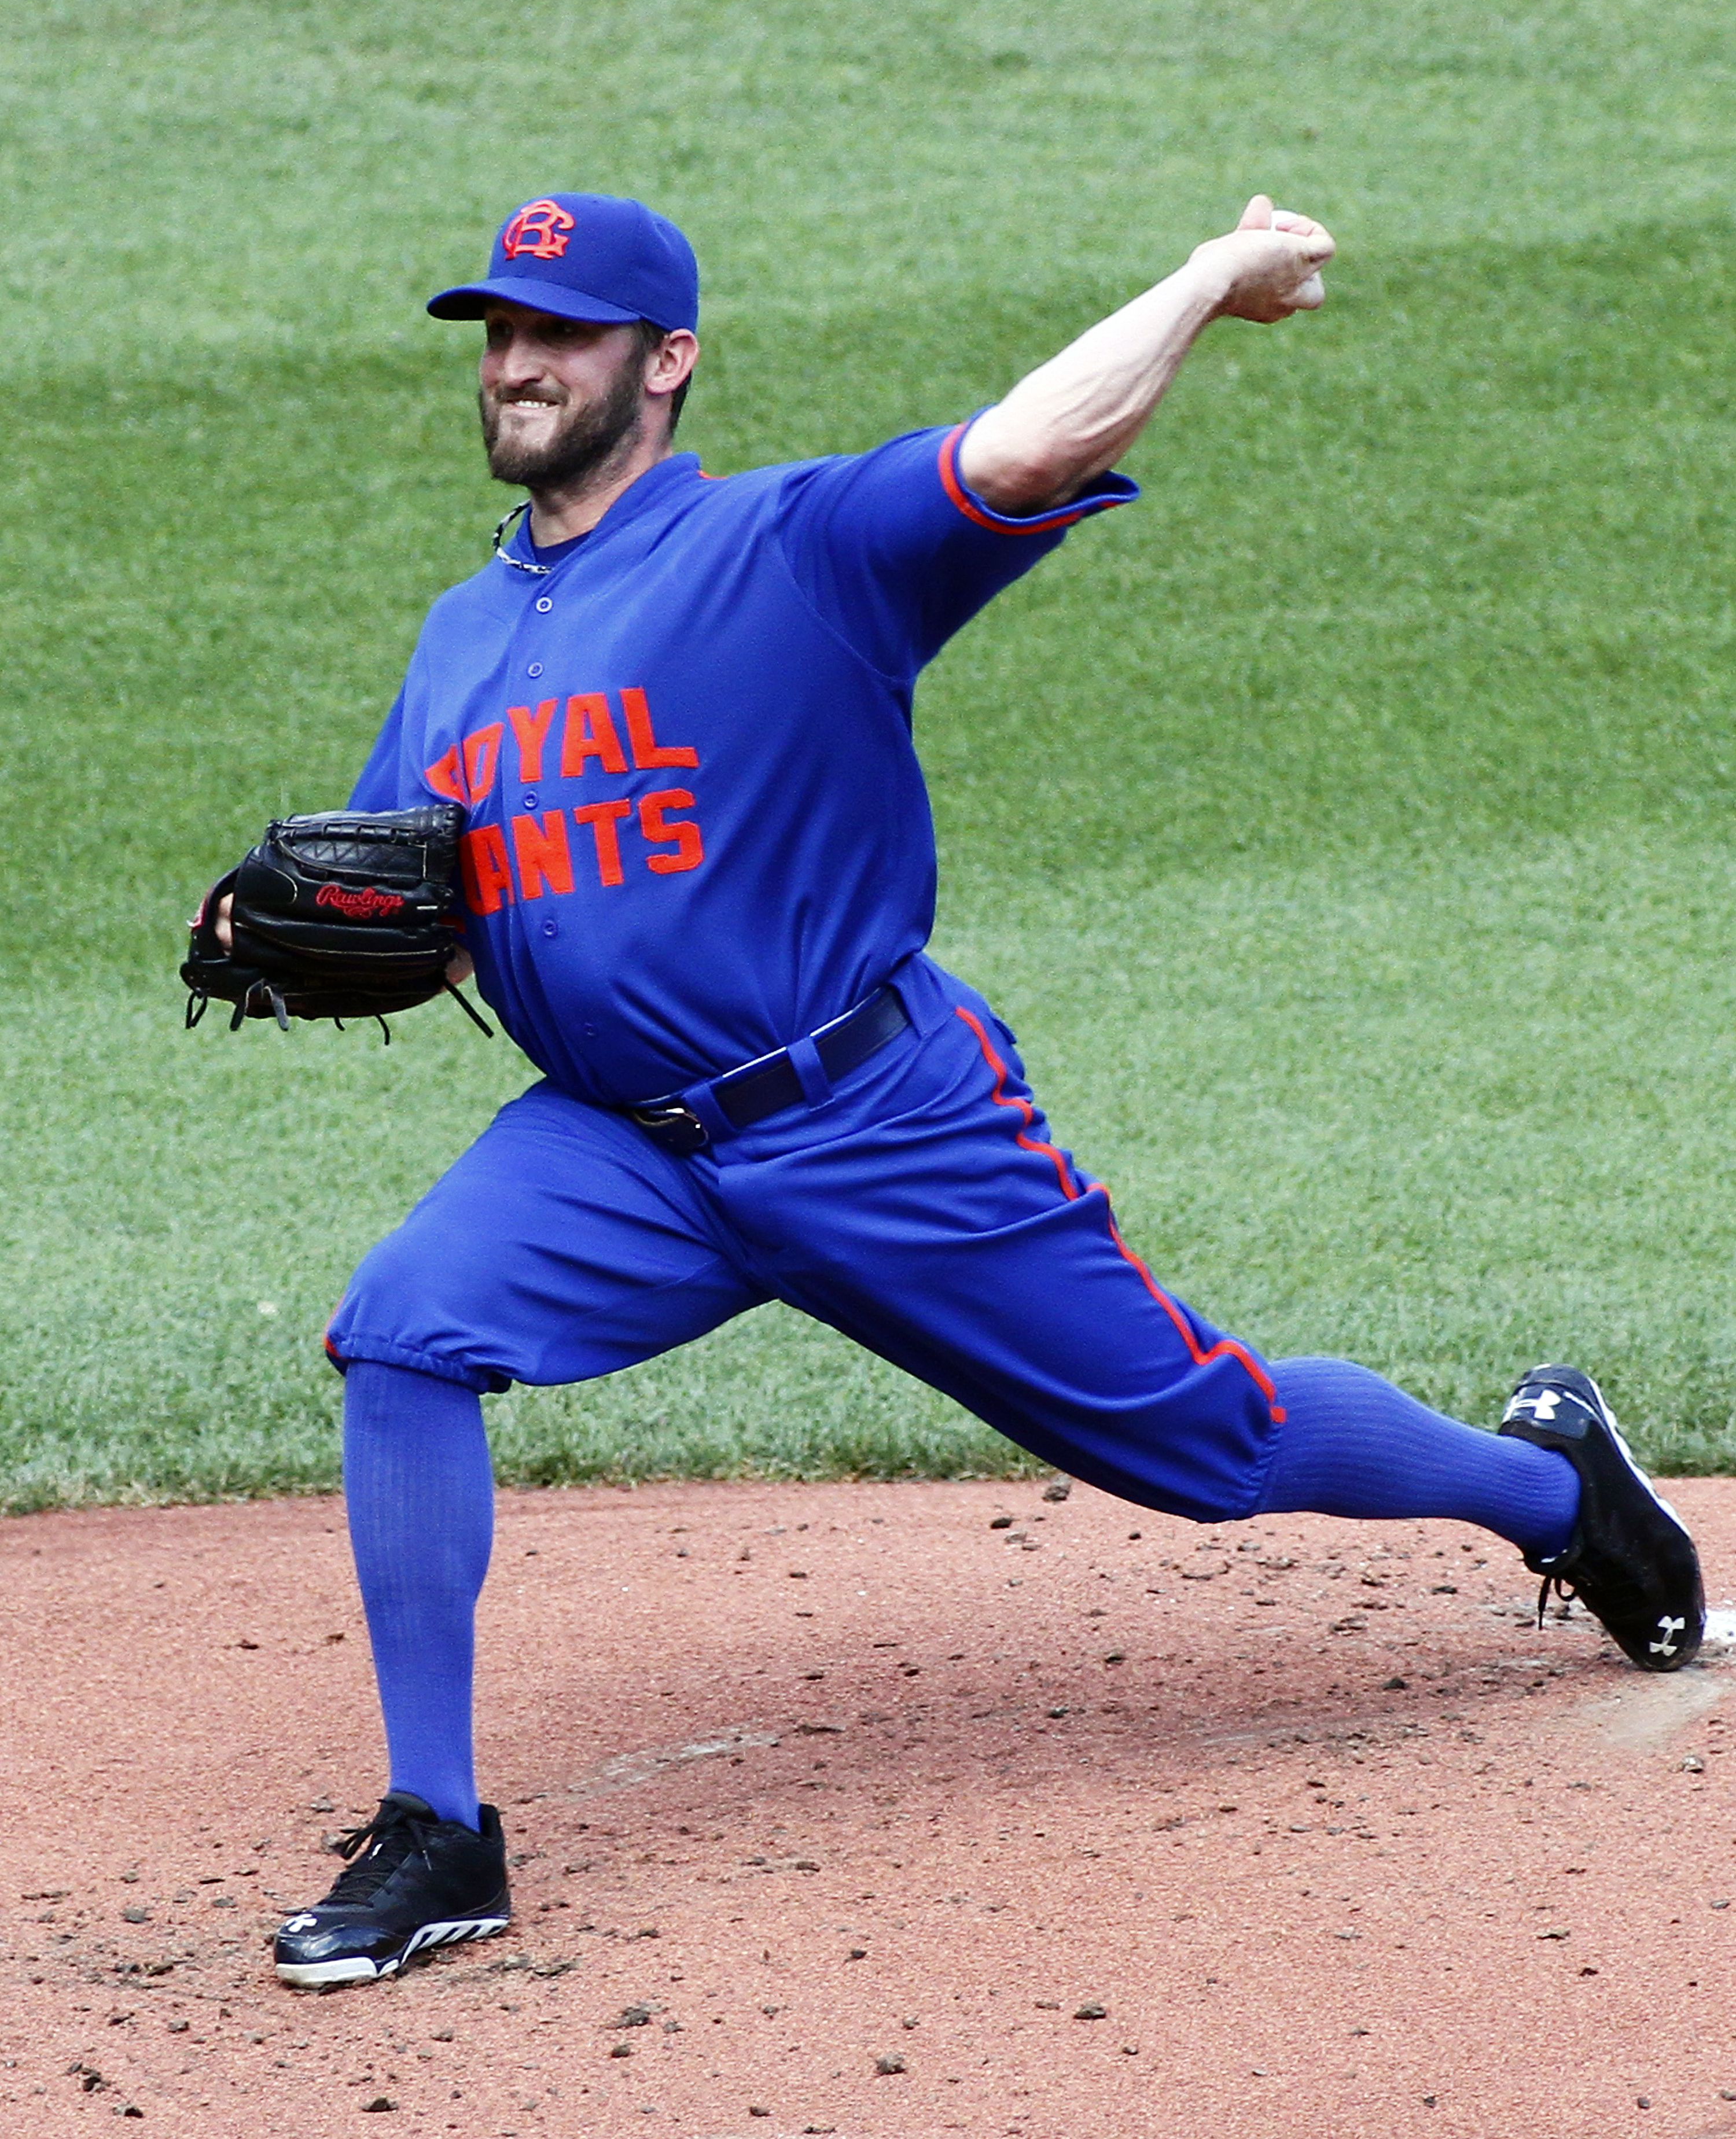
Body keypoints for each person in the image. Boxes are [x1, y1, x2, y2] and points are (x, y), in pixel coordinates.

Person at [264, 190, 1704, 1988]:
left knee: (1216, 1445)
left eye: (560, 331)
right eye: (498, 331)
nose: (517, 363)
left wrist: (1204, 280)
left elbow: (1029, 446)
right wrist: (293, 931)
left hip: (879, 1123)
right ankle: (439, 1829)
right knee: (403, 1328)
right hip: (619, 1150)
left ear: (668, 359)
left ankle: (1558, 1488)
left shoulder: (798, 545)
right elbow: (424, 900)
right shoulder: (461, 638)